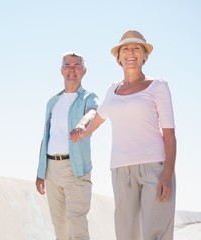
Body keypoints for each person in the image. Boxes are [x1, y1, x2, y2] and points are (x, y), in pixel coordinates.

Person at [71, 30, 177, 240]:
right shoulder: (112, 91)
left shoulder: (158, 87)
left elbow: (169, 133)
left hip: (155, 169)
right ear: (118, 57)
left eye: (136, 48)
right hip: (121, 170)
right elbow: (98, 118)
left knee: (155, 232)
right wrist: (82, 131)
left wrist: (168, 173)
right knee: (126, 233)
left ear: (145, 55)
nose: (131, 52)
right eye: (125, 49)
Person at [35, 51, 99, 240]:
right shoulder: (53, 102)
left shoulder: (88, 97)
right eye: (67, 66)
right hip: (51, 170)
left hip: (75, 168)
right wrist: (40, 172)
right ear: (61, 71)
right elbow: (46, 136)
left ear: (84, 71)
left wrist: (82, 124)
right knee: (60, 226)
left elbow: (93, 112)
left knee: (76, 223)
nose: (72, 70)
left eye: (77, 65)